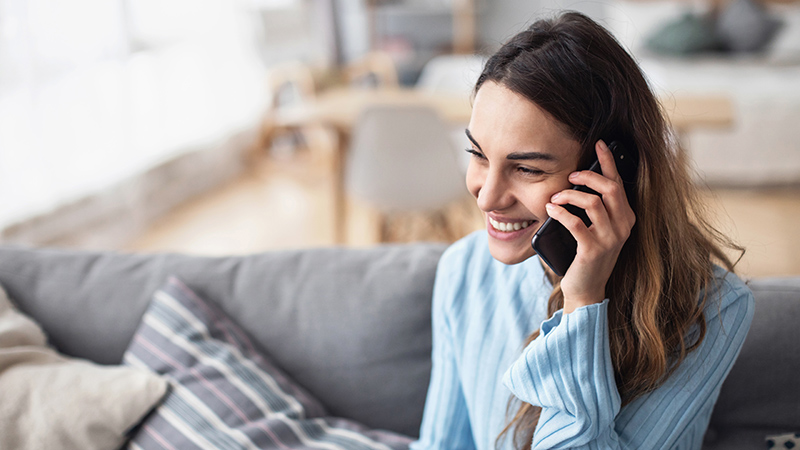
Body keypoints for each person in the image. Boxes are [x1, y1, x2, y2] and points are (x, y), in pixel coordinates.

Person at [409, 11, 754, 450]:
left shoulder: (715, 309)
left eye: (527, 168)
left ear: (612, 173)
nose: (487, 196)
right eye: (477, 155)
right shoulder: (463, 269)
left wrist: (582, 304)